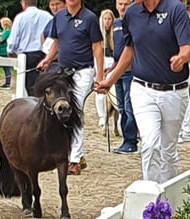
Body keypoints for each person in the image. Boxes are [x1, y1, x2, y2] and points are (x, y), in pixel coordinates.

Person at [95, 0, 190, 183]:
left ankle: (167, 198)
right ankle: (152, 198)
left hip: (174, 91)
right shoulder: (132, 13)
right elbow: (129, 50)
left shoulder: (175, 9)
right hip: (142, 89)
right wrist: (110, 80)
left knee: (168, 149)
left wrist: (181, 58)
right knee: (150, 144)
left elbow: (187, 48)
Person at [37, 0, 104, 175]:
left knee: (76, 109)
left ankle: (74, 159)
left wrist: (100, 75)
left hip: (83, 71)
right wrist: (48, 59)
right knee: (58, 110)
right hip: (63, 71)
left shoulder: (90, 18)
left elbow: (97, 47)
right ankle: (62, 153)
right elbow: (56, 42)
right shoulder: (59, 17)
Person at [7, 0, 52, 96]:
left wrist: (10, 51)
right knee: (46, 85)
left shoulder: (20, 17)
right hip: (45, 54)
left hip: (27, 56)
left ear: (23, 4)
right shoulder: (47, 16)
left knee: (31, 87)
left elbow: (13, 39)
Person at [110, 0, 138, 154]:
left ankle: (130, 140)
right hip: (118, 71)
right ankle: (126, 139)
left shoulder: (134, 22)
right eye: (120, 4)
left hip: (130, 71)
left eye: (126, 4)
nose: (122, 7)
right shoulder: (115, 24)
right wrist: (113, 68)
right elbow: (119, 49)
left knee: (129, 107)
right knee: (121, 107)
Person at [178, 0, 190, 144]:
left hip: (183, 59)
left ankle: (186, 129)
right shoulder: (186, 16)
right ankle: (187, 130)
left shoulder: (182, 16)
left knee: (182, 93)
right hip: (184, 59)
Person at [95, 9, 115, 129]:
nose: (107, 22)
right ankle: (102, 115)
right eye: (105, 19)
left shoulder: (116, 33)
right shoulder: (98, 34)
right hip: (102, 60)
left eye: (109, 19)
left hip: (113, 62)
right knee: (100, 91)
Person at [0, 17, 13, 90]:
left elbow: (1, 40)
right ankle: (7, 82)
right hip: (3, 51)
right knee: (6, 68)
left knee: (7, 68)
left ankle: (8, 83)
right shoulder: (6, 31)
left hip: (4, 51)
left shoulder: (7, 31)